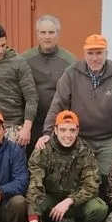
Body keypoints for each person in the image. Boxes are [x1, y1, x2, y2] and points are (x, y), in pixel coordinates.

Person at [39, 34, 112, 186]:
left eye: (98, 53)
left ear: (106, 53)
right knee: (80, 178)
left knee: (110, 179)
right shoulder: (71, 73)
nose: (94, 58)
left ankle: (106, 209)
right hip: (81, 138)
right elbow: (58, 104)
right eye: (90, 53)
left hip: (109, 138)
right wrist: (47, 133)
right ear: (84, 54)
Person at [22, 110, 108, 222]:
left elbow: (92, 185)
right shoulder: (43, 150)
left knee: (99, 208)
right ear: (55, 130)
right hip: (50, 199)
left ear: (77, 131)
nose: (67, 135)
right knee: (29, 204)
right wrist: (33, 218)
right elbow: (35, 184)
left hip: (74, 201)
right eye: (63, 130)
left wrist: (69, 201)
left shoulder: (85, 151)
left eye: (72, 130)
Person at [21, 15, 76, 155]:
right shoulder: (25, 59)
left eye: (51, 32)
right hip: (32, 124)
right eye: (43, 32)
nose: (47, 36)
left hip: (60, 126)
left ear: (58, 34)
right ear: (37, 34)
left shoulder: (70, 61)